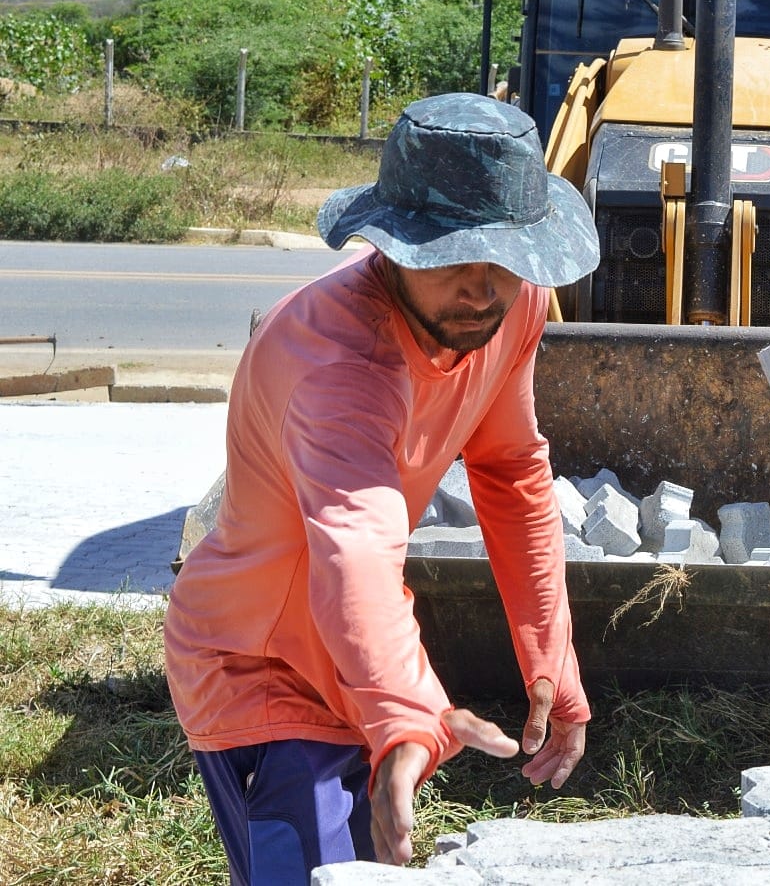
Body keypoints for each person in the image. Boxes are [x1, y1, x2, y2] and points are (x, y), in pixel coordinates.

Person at [164, 92, 602, 881]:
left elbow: (510, 470)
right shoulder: (339, 362)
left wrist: (551, 659)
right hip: (263, 670)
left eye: (503, 257)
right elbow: (358, 549)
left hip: (360, 668)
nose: (480, 288)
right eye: (450, 255)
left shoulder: (515, 303)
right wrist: (407, 718)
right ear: (394, 243)